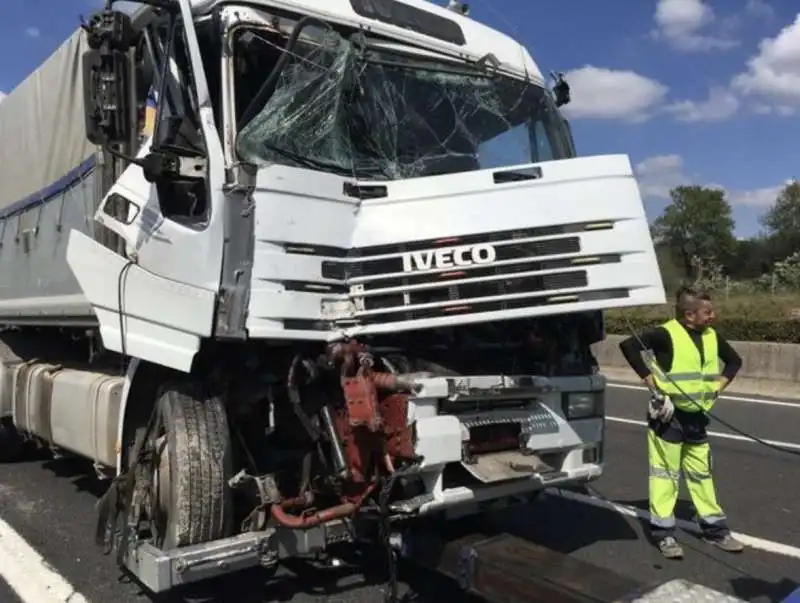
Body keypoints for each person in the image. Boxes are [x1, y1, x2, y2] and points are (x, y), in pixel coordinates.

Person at [618, 286, 745, 559]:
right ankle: (664, 534)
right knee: (665, 475)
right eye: (707, 311)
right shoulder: (666, 334)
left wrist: (719, 385)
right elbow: (628, 345)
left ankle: (715, 531)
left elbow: (734, 361)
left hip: (697, 418)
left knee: (702, 475)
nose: (713, 315)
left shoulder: (711, 336)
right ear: (689, 315)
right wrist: (650, 382)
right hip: (669, 416)